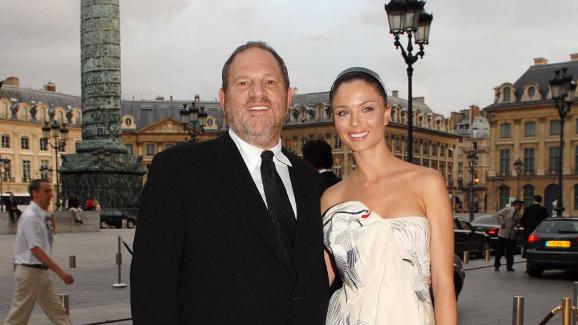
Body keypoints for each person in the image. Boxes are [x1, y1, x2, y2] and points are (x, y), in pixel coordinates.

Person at [130, 41, 329, 324]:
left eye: (269, 82)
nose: (257, 93)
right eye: (243, 83)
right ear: (224, 100)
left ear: (288, 97)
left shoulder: (311, 182)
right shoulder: (178, 171)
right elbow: (151, 290)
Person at [321, 67, 457, 325]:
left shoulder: (427, 183)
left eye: (367, 108)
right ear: (334, 121)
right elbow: (318, 282)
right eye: (343, 112)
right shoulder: (330, 198)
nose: (355, 122)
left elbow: (443, 283)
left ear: (386, 114)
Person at [4, 179, 74, 325]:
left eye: (51, 190)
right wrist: (61, 272)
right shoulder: (31, 217)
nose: (50, 194)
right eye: (46, 191)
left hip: (40, 273)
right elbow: (36, 249)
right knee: (18, 318)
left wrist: (50, 220)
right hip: (30, 273)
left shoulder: (42, 215)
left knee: (58, 313)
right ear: (35, 193)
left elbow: (49, 239)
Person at [493, 200, 524, 271]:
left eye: (521, 206)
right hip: (503, 234)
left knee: (510, 252)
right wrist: (501, 223)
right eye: (519, 205)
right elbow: (496, 215)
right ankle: (497, 265)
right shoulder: (507, 210)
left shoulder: (518, 213)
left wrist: (518, 225)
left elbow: (517, 222)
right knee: (500, 251)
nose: (520, 207)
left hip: (512, 235)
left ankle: (509, 266)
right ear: (515, 205)